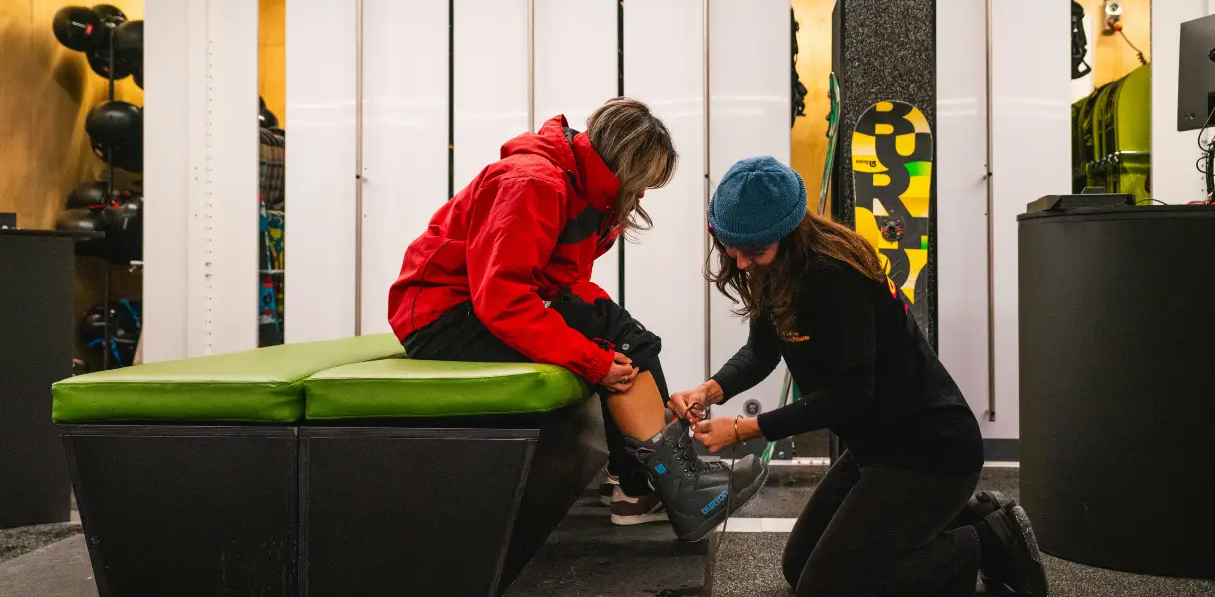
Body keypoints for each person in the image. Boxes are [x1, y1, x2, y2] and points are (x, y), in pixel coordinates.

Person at [387, 97, 767, 542]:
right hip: (443, 319)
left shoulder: (581, 191)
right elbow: (503, 298)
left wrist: (620, 342)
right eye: (642, 182)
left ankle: (644, 485)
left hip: (469, 305)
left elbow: (563, 286)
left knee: (625, 334)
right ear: (623, 166)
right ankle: (665, 487)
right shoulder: (533, 183)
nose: (642, 194)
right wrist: (592, 360)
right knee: (613, 345)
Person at [668, 156, 1049, 596]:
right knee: (799, 567)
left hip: (929, 452)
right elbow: (761, 350)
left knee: (825, 589)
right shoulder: (777, 268)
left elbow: (850, 397)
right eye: (732, 247)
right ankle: (956, 523)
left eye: (754, 251)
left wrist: (746, 429)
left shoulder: (833, 277)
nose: (742, 261)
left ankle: (983, 539)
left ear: (788, 235)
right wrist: (710, 389)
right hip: (876, 447)